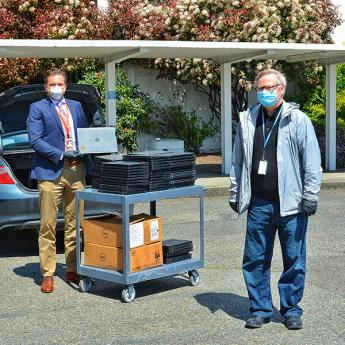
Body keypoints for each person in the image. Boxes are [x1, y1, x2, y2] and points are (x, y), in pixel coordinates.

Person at [229, 69, 322, 330]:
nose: (263, 92)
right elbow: (237, 161)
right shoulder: (248, 120)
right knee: (255, 258)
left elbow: (312, 162)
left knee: (294, 259)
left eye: (269, 88)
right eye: (260, 88)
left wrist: (310, 195)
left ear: (281, 90)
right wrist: (235, 192)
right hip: (259, 203)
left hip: (291, 204)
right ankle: (260, 309)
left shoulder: (298, 120)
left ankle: (291, 309)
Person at [27, 68, 88, 293]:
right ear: (46, 87)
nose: (56, 88)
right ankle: (48, 273)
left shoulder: (77, 106)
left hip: (76, 171)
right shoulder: (37, 108)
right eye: (52, 85)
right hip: (50, 172)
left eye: (60, 84)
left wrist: (92, 146)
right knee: (48, 226)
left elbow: (84, 134)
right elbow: (35, 140)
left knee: (76, 224)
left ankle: (73, 268)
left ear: (66, 86)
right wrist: (61, 154)